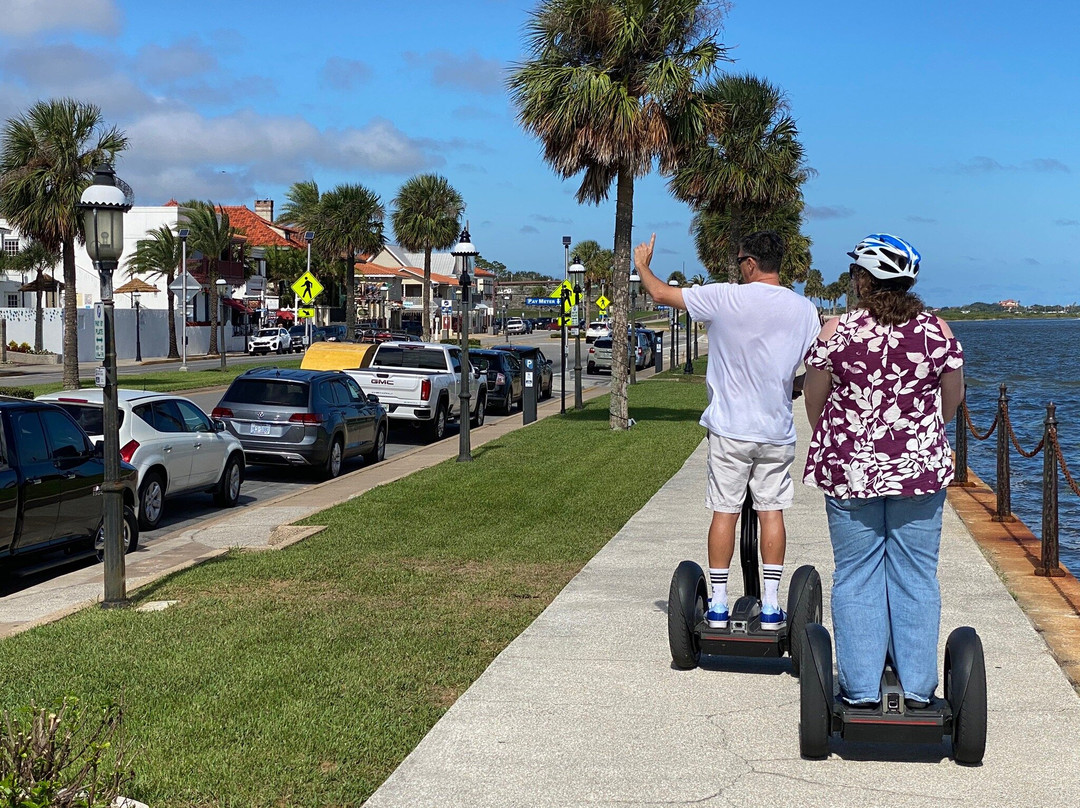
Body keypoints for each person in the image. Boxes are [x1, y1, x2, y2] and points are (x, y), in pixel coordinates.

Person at [802, 233, 965, 708]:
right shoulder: (938, 332)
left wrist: (839, 437)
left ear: (864, 280)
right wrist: (922, 435)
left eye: (855, 272)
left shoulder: (837, 332)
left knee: (856, 574)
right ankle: (916, 686)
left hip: (851, 471)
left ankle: (859, 688)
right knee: (916, 574)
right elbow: (952, 397)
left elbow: (816, 397)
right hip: (919, 470)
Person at [635, 231, 820, 630]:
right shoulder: (803, 310)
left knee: (725, 510)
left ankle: (718, 603)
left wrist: (642, 266)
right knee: (772, 511)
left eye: (739, 262)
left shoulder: (724, 297)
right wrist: (795, 386)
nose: (738, 269)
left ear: (751, 263)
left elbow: (663, 295)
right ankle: (771, 606)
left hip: (730, 430)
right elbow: (815, 368)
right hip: (775, 431)